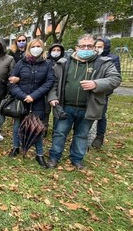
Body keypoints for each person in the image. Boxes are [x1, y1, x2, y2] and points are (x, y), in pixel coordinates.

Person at [47, 34, 122, 170]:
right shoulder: (63, 63)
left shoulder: (103, 63)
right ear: (77, 47)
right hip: (65, 106)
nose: (86, 48)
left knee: (81, 135)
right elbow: (53, 83)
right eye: (83, 46)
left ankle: (77, 159)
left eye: (89, 46)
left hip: (88, 107)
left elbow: (115, 79)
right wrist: (52, 97)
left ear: (94, 48)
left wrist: (96, 84)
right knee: (59, 133)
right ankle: (54, 157)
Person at [8, 38, 54, 168]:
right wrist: (24, 96)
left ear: (43, 48)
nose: (36, 48)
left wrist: (33, 96)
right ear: (29, 48)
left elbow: (49, 82)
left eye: (39, 46)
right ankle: (16, 147)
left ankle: (39, 154)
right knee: (17, 125)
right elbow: (11, 82)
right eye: (33, 46)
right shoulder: (21, 63)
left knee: (37, 127)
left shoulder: (47, 64)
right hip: (21, 100)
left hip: (37, 101)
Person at [91, 37, 122, 148]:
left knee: (101, 115)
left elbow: (114, 78)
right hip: (89, 91)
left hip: (102, 93)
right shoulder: (92, 57)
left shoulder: (112, 59)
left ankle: (99, 137)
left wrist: (105, 90)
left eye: (100, 47)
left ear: (106, 47)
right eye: (96, 46)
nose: (97, 49)